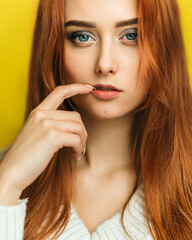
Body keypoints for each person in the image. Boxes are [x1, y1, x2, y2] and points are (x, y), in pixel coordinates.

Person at [0, 0, 191, 239]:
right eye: (82, 37)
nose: (105, 64)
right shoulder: (7, 171)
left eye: (131, 35)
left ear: (165, 47)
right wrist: (6, 186)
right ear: (52, 48)